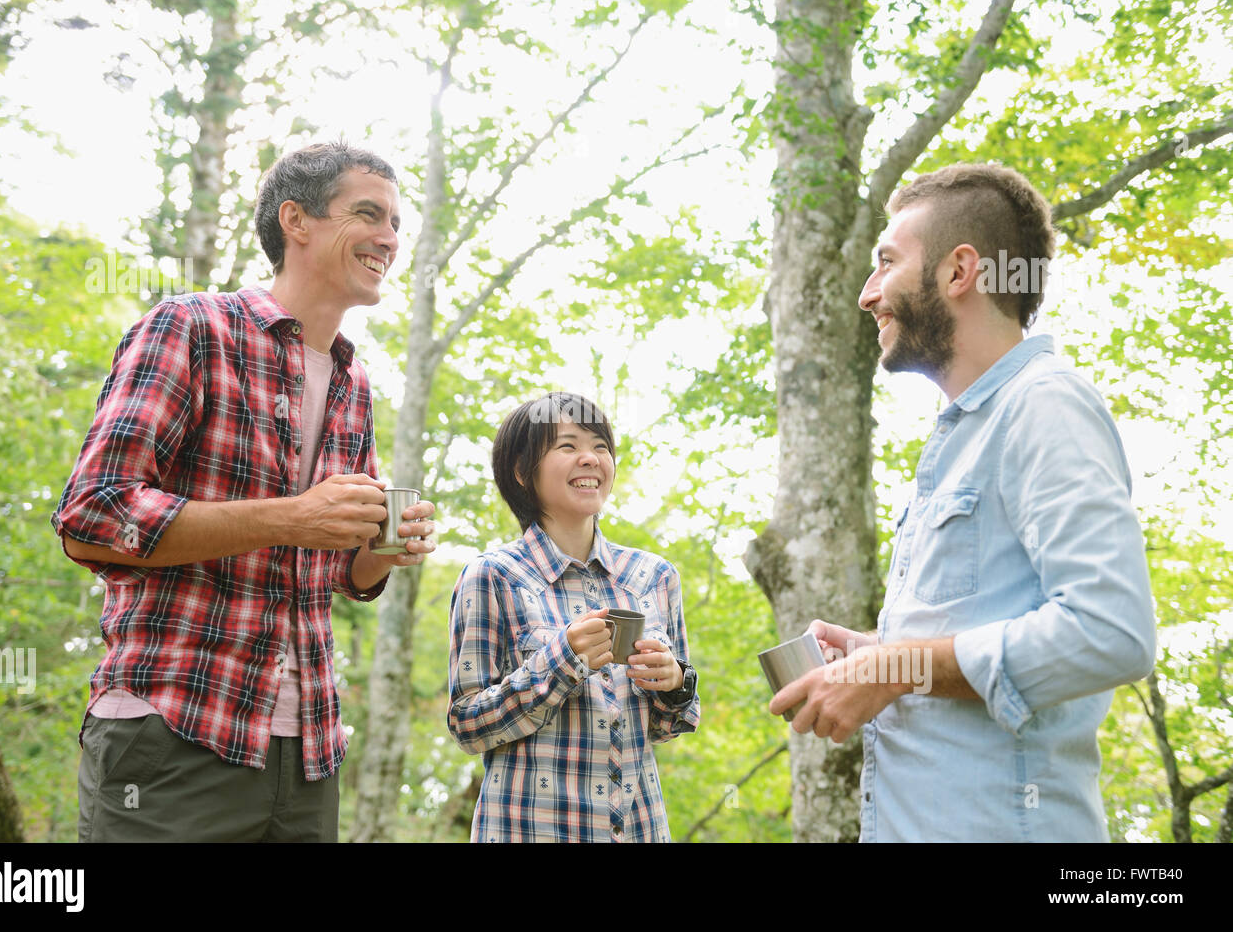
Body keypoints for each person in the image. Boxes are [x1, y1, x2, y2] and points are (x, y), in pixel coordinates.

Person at [53, 142, 436, 842]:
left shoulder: (354, 383)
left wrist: (381, 548)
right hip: (172, 733)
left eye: (396, 225)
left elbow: (336, 571)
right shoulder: (191, 327)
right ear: (298, 220)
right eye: (369, 214)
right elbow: (93, 515)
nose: (389, 238)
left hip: (309, 753)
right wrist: (293, 516)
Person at [770, 163, 1156, 841]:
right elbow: (973, 637)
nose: (868, 295)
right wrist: (878, 652)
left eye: (885, 262)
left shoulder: (1045, 405)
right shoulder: (960, 437)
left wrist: (895, 667)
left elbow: (1111, 631)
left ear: (959, 272)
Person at [447, 392, 700, 842]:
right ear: (523, 471)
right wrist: (560, 661)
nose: (591, 458)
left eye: (601, 446)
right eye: (568, 446)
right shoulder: (492, 576)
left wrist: (674, 682)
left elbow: (667, 726)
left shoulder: (653, 577)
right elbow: (467, 725)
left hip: (640, 829)